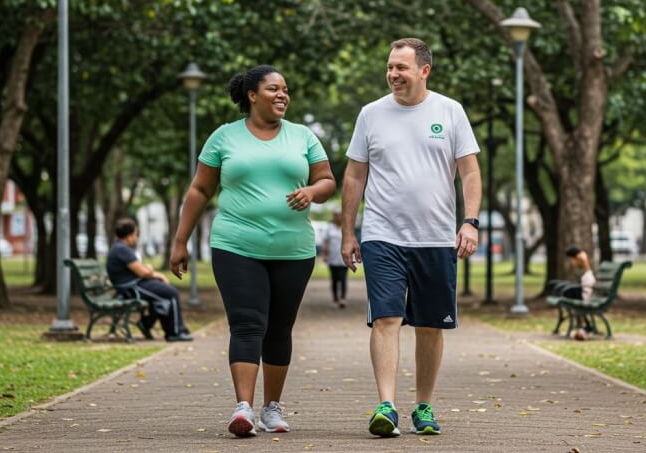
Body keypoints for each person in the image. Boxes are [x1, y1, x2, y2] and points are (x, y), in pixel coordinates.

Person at [170, 65, 335, 438]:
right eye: (274, 89)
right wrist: (181, 240)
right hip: (236, 245)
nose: (282, 95)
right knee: (247, 323)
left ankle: (271, 408)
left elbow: (327, 180)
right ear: (252, 95)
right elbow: (199, 190)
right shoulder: (224, 137)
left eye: (286, 90)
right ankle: (242, 407)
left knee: (279, 327)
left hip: (293, 249)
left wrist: (311, 191)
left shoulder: (303, 136)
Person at [340, 38, 482, 437]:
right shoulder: (370, 115)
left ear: (424, 70)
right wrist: (348, 232)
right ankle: (386, 405)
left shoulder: (450, 112)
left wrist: (469, 221)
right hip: (383, 235)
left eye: (401, 67)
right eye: (389, 67)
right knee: (386, 317)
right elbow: (354, 176)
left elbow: (469, 173)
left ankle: (423, 406)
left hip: (436, 238)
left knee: (430, 325)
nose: (392, 74)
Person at [106, 218, 191, 342]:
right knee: (171, 294)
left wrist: (156, 274)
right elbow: (143, 272)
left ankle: (147, 323)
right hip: (131, 288)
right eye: (136, 234)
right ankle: (175, 332)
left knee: (162, 296)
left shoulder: (119, 248)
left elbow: (140, 269)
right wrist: (151, 270)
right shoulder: (121, 249)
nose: (136, 237)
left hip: (133, 285)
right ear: (129, 235)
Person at [564, 246, 597, 341]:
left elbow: (585, 264)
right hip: (585, 293)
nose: (571, 262)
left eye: (571, 259)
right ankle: (584, 326)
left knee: (568, 292)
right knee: (568, 291)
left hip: (586, 297)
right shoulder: (587, 273)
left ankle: (584, 327)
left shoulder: (587, 273)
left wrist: (582, 257)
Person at [321, 210, 348, 308]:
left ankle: (343, 298)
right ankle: (335, 298)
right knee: (334, 279)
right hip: (332, 258)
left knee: (343, 278)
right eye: (337, 216)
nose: (339, 217)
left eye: (340, 215)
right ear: (334, 217)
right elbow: (326, 242)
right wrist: (324, 254)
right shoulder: (329, 228)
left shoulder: (346, 228)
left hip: (344, 259)